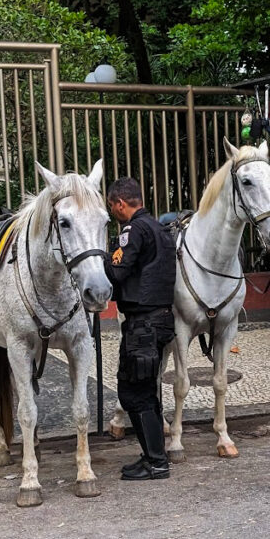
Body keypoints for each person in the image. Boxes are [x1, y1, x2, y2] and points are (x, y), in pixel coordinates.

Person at [104, 177, 176, 480]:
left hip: (142, 324)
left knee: (134, 392)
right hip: (159, 320)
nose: (113, 212)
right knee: (146, 390)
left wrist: (100, 258)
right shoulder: (161, 229)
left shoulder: (132, 230)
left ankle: (157, 462)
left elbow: (118, 271)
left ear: (121, 203)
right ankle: (151, 457)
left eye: (112, 206)